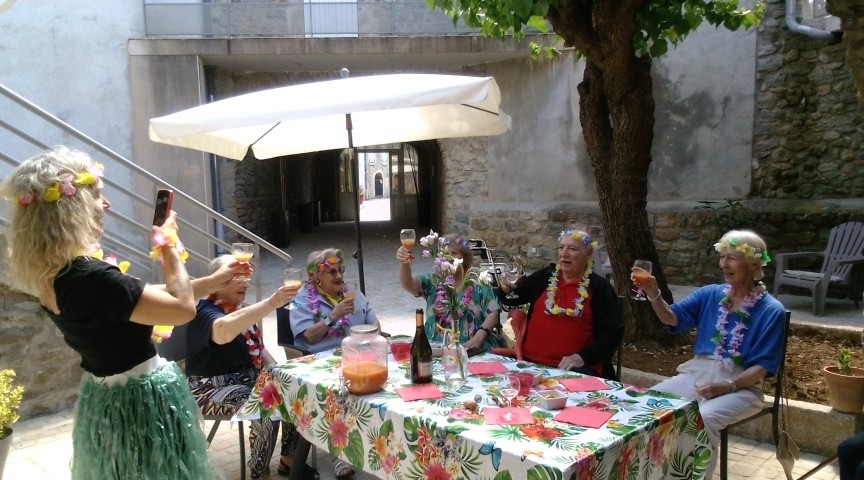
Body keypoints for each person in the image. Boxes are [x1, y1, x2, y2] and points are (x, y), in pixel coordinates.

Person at [0, 147, 242, 479]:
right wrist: (168, 243)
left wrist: (213, 282)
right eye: (97, 195)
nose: (106, 203)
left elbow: (140, 299)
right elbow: (183, 309)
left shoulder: (55, 276)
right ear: (72, 207)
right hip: (143, 401)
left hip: (104, 399)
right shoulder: (94, 277)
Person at [632, 229, 786, 479]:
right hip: (698, 373)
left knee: (702, 419)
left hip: (743, 386)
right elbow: (672, 318)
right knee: (651, 404)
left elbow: (763, 367)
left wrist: (728, 385)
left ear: (755, 264)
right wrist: (653, 293)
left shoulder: (772, 310)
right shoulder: (711, 294)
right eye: (722, 257)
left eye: (732, 258)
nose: (724, 264)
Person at [185, 255, 317, 479]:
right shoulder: (204, 311)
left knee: (295, 393)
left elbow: (259, 350)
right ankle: (259, 472)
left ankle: (289, 459)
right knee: (265, 406)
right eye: (235, 276)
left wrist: (285, 376)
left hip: (249, 381)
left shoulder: (240, 310)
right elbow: (223, 331)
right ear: (216, 281)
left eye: (245, 276)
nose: (244, 282)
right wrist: (272, 303)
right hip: (209, 389)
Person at [288, 248, 379, 479]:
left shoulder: (353, 294)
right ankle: (341, 455)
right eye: (332, 272)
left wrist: (370, 338)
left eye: (340, 270)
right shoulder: (302, 299)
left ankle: (379, 443)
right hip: (321, 363)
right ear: (316, 276)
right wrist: (332, 317)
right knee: (340, 391)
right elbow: (309, 336)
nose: (339, 276)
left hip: (358, 358)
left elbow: (375, 325)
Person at [495, 228, 622, 379]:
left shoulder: (600, 288)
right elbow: (512, 298)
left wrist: (582, 357)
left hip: (574, 371)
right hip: (529, 365)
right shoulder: (546, 276)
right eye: (561, 248)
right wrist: (505, 289)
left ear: (588, 254)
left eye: (572, 249)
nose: (564, 254)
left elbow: (613, 333)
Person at [396, 234, 503, 351]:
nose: (450, 258)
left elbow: (493, 313)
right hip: (435, 348)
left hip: (472, 349)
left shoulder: (477, 283)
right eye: (445, 253)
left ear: (465, 257)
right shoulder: (434, 281)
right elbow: (409, 284)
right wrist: (405, 264)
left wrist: (479, 337)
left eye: (455, 253)